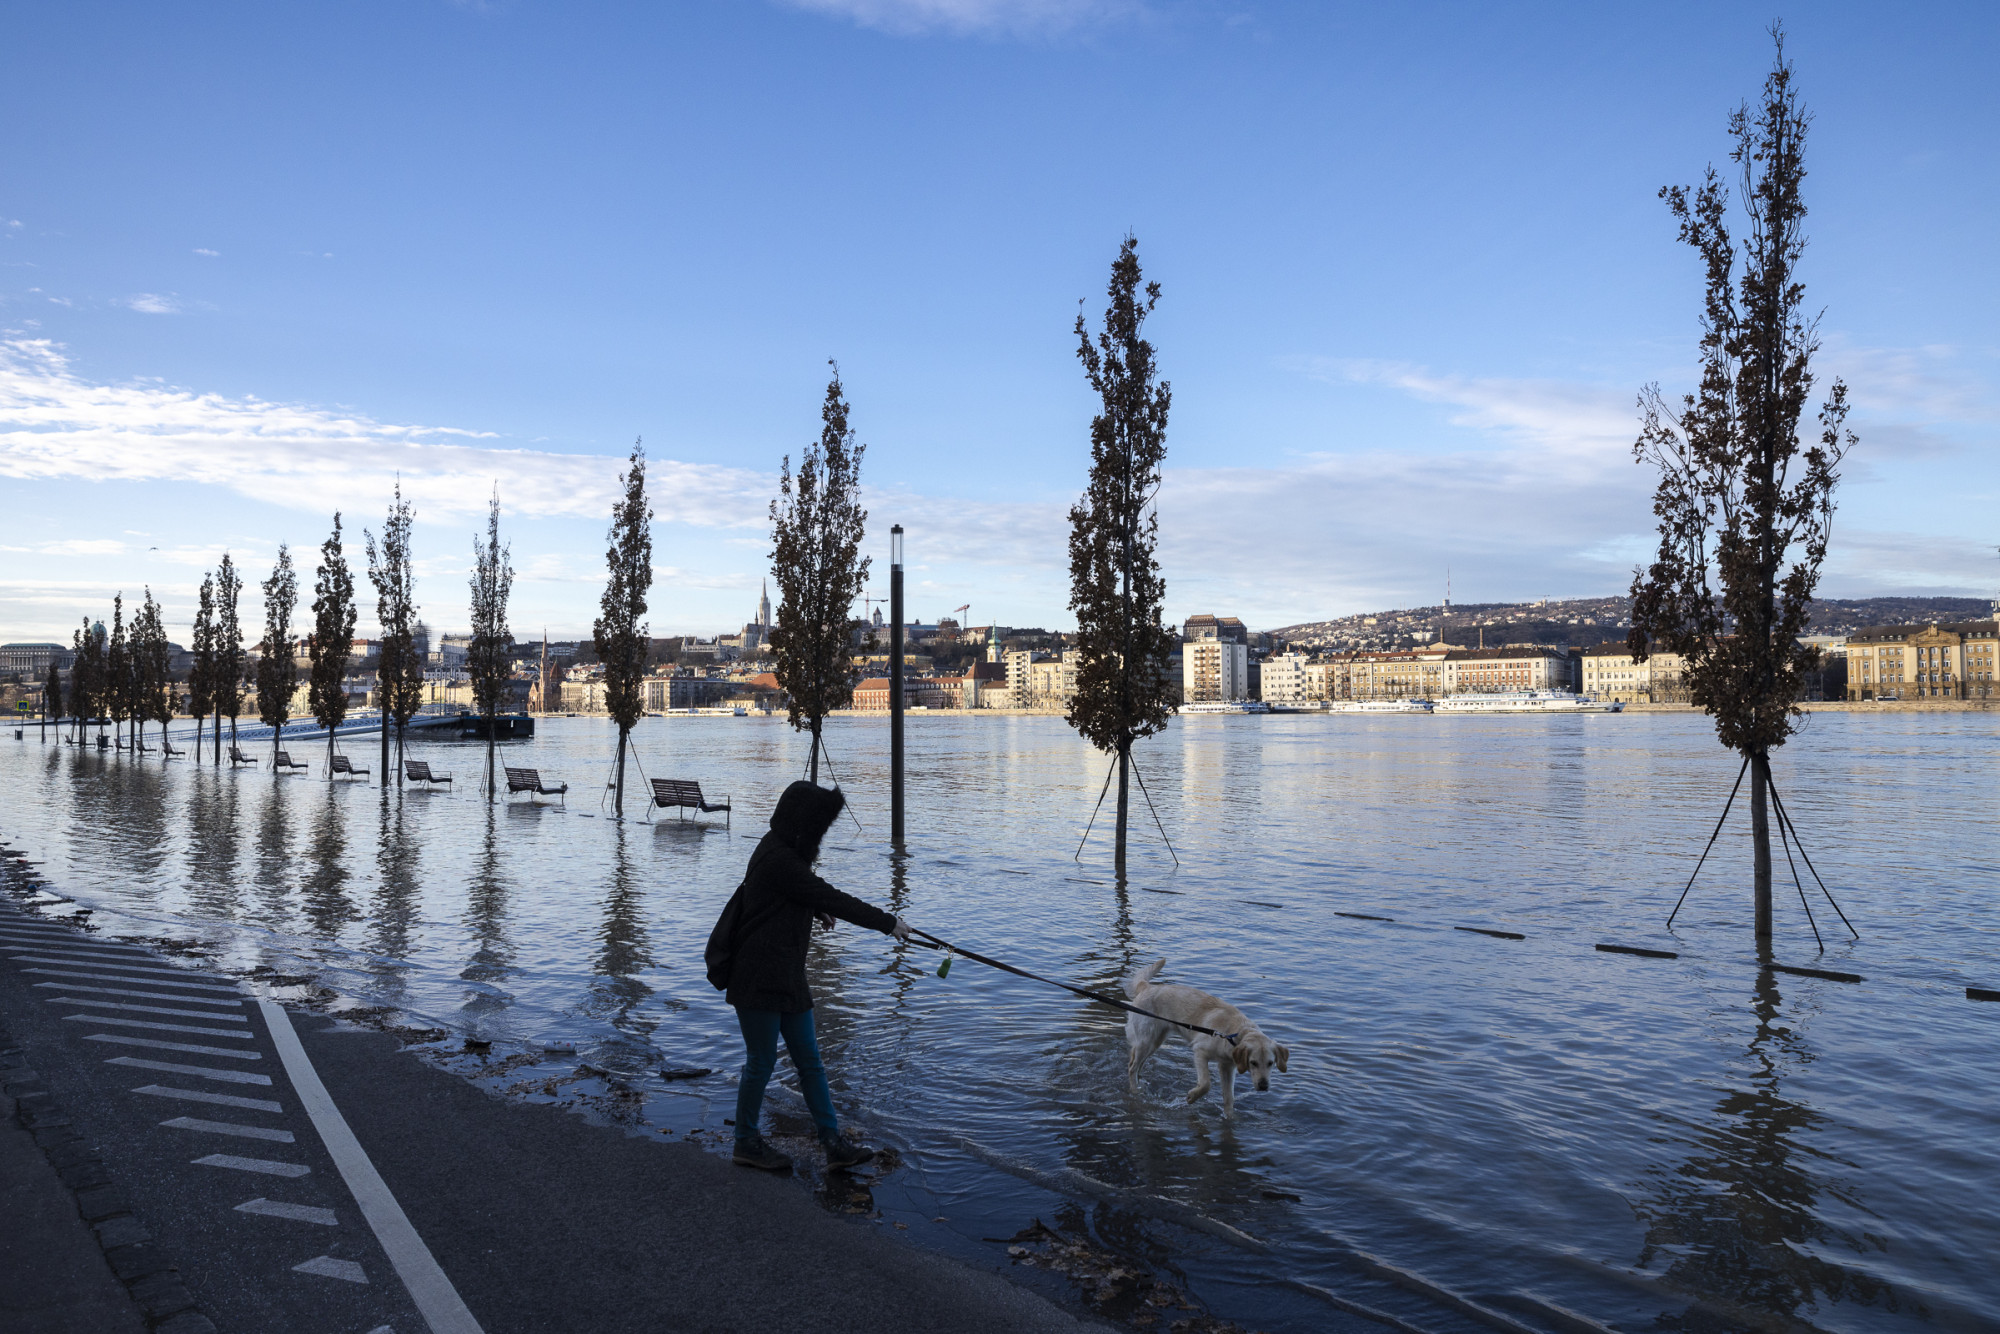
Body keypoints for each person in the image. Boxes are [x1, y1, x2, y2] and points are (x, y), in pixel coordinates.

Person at [722, 780, 911, 1172]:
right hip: (757, 974)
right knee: (761, 1061)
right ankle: (745, 1142)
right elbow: (830, 895)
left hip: (786, 973)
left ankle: (832, 1142)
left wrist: (809, 909)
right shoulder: (781, 860)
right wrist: (888, 922)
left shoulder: (778, 849)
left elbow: (779, 897)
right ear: (800, 824)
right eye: (816, 828)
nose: (819, 837)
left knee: (810, 1060)